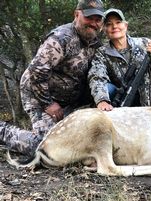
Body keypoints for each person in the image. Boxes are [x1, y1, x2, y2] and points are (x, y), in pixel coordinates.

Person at [0, 0, 105, 156]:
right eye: (89, 18)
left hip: (67, 99)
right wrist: (47, 103)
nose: (94, 23)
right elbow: (37, 71)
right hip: (38, 94)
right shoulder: (62, 38)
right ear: (77, 15)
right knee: (46, 147)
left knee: (70, 141)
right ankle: (3, 131)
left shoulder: (95, 42)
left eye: (98, 20)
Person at [88, 8, 151, 112]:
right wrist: (102, 100)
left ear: (126, 25)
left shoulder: (145, 43)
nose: (114, 26)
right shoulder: (102, 53)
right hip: (129, 111)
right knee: (107, 88)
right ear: (104, 29)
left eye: (118, 22)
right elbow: (97, 77)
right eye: (109, 24)